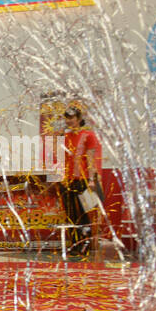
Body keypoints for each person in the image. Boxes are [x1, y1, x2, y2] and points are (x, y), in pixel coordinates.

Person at [60, 106, 101, 258]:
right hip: (66, 180)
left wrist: (91, 179)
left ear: (78, 119)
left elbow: (91, 158)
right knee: (70, 214)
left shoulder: (88, 135)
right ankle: (74, 244)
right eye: (67, 118)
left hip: (82, 179)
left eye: (72, 118)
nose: (69, 121)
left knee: (83, 213)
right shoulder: (64, 137)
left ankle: (85, 243)